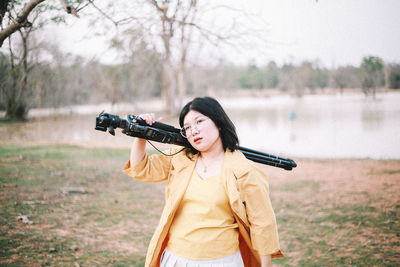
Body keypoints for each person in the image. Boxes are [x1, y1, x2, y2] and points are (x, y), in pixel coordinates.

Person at [123, 97, 283, 267]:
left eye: (199, 121)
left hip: (224, 261)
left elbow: (263, 224)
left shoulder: (244, 169)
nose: (194, 131)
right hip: (176, 259)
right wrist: (141, 134)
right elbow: (141, 168)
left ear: (218, 122)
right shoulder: (180, 157)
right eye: (187, 127)